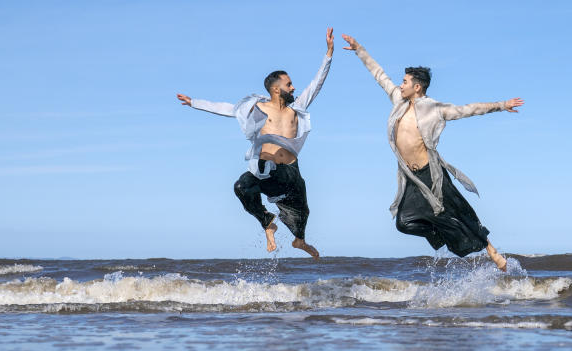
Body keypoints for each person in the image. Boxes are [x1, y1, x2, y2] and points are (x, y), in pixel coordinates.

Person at [341, 35, 523, 271]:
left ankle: (492, 251)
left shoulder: (434, 108)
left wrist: (501, 104)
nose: (400, 85)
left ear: (417, 87)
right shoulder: (398, 101)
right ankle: (446, 236)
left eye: (405, 81)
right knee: (404, 223)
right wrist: (359, 49)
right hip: (411, 177)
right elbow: (380, 76)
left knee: (461, 212)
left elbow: (469, 110)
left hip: (431, 173)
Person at [177, 29, 335, 258]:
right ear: (275, 88)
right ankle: (267, 222)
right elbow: (228, 109)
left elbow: (316, 83)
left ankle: (299, 241)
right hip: (264, 170)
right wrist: (195, 103)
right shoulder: (258, 109)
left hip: (289, 172)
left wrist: (328, 54)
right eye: (289, 84)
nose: (293, 88)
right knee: (241, 187)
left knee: (302, 211)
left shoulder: (296, 108)